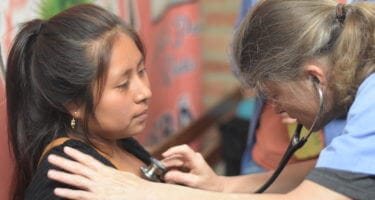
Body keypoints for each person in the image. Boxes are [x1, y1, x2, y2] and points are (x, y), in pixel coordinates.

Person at [46, 0, 375, 199]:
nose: (275, 109)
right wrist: (221, 187)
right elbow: (334, 174)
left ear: (315, 78)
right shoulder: (62, 171)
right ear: (73, 102)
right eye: (122, 84)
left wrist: (150, 193)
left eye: (274, 94)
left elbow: (316, 197)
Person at [6, 3, 153, 200]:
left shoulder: (118, 142)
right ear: (74, 104)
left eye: (141, 71)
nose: (145, 92)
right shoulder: (65, 181)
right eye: (123, 84)